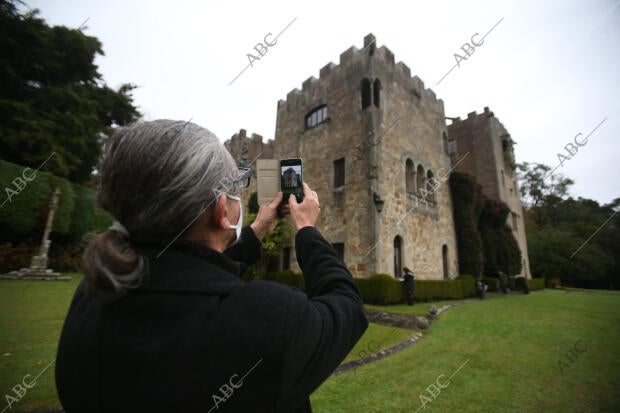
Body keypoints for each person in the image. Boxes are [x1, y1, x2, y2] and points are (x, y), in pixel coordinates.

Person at [55, 120, 368, 413]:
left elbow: (189, 274)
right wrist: (306, 227)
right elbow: (346, 305)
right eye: (239, 187)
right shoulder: (266, 319)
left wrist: (257, 230)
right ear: (222, 209)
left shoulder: (96, 292)